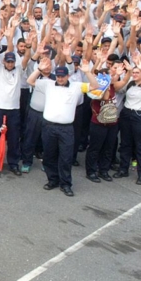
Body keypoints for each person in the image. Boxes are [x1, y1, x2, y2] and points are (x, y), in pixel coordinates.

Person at [33, 62, 95, 197]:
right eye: (58, 76)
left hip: (66, 128)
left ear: (68, 76)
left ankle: (66, 184)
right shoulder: (48, 84)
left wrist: (88, 72)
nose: (60, 79)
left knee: (66, 157)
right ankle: (52, 180)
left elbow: (95, 86)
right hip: (49, 126)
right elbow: (30, 81)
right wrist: (39, 69)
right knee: (49, 155)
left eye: (63, 76)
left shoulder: (77, 86)